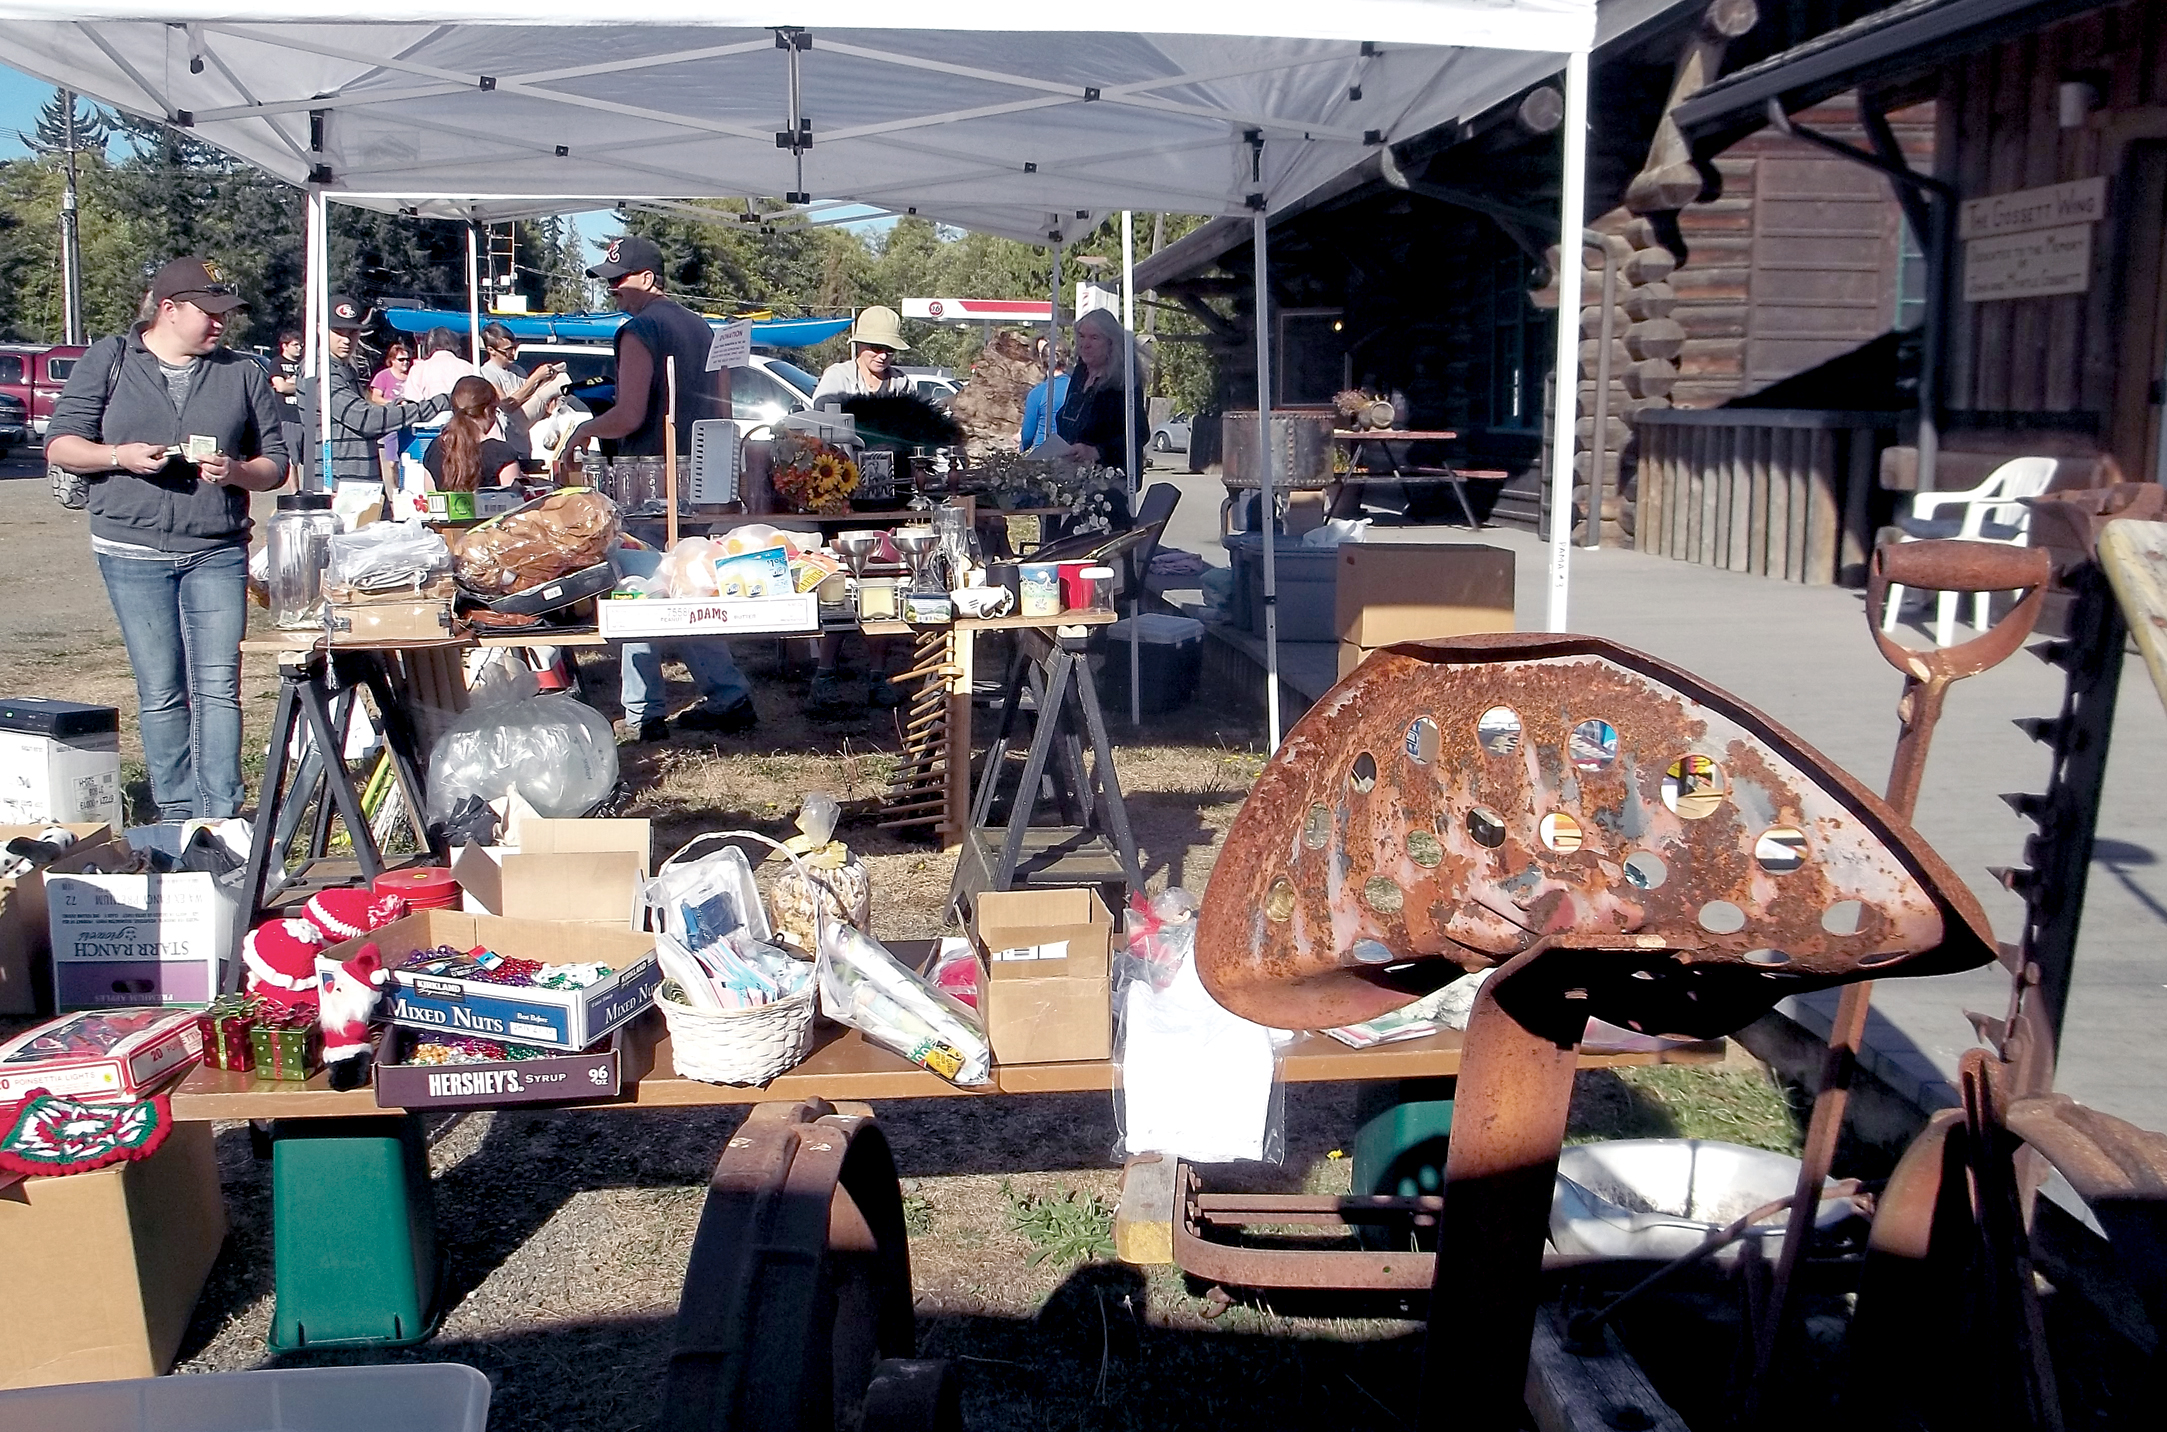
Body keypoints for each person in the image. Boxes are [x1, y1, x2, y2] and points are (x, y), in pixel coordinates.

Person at [43, 256, 290, 821]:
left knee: (219, 686)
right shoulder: (108, 358)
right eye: (208, 312)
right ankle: (177, 815)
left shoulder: (243, 372)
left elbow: (275, 464)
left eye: (225, 313)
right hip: (130, 548)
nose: (220, 324)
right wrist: (118, 457)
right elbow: (60, 445)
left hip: (216, 547)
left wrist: (236, 472)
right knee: (160, 687)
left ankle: (223, 814)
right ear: (169, 309)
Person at [563, 234, 754, 742]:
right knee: (692, 589)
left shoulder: (639, 329)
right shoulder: (703, 328)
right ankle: (729, 694)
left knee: (639, 593)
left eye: (619, 282)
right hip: (702, 477)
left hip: (649, 479)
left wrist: (583, 429)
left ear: (647, 279)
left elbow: (627, 415)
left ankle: (643, 711)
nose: (614, 293)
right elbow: (722, 409)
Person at [297, 295, 453, 503]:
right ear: (319, 329)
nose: (346, 339)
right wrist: (440, 403)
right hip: (337, 490)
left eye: (352, 332)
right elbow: (366, 420)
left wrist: (397, 407)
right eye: (338, 332)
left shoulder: (343, 368)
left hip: (359, 486)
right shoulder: (319, 371)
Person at [1054, 307, 1149, 474]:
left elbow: (1139, 433)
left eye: (1094, 338)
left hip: (1109, 478)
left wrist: (1096, 451)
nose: (1085, 344)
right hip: (1072, 473)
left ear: (1111, 343)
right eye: (1082, 336)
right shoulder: (1080, 372)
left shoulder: (1123, 381)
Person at [477, 320, 566, 455]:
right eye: (508, 350)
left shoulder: (518, 371)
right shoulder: (485, 373)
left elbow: (528, 403)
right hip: (504, 444)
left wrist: (546, 405)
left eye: (515, 347)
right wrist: (535, 377)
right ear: (491, 350)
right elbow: (506, 405)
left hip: (523, 444)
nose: (513, 353)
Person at [423, 376, 525, 491]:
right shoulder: (500, 452)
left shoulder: (435, 448)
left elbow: (431, 500)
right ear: (488, 411)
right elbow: (515, 501)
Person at [811, 306, 913, 406]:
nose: (883, 356)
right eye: (876, 348)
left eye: (890, 350)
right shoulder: (838, 378)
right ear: (860, 344)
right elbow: (821, 411)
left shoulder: (902, 383)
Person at [402, 326, 481, 402]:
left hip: (430, 414)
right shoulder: (469, 368)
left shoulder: (419, 370)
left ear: (428, 345)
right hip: (462, 414)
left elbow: (412, 402)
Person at [1018, 335, 1071, 448]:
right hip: (1071, 453)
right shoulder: (1076, 390)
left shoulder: (1037, 393)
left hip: (1042, 454)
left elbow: (1027, 437)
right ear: (1066, 360)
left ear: (1042, 361)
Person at [269, 328, 304, 480]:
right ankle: (295, 493)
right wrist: (302, 385)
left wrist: (292, 382)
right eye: (295, 345)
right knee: (292, 459)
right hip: (288, 416)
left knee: (313, 458)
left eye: (301, 345)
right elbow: (281, 387)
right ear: (285, 346)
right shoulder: (277, 363)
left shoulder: (305, 364)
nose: (299, 348)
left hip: (307, 416)